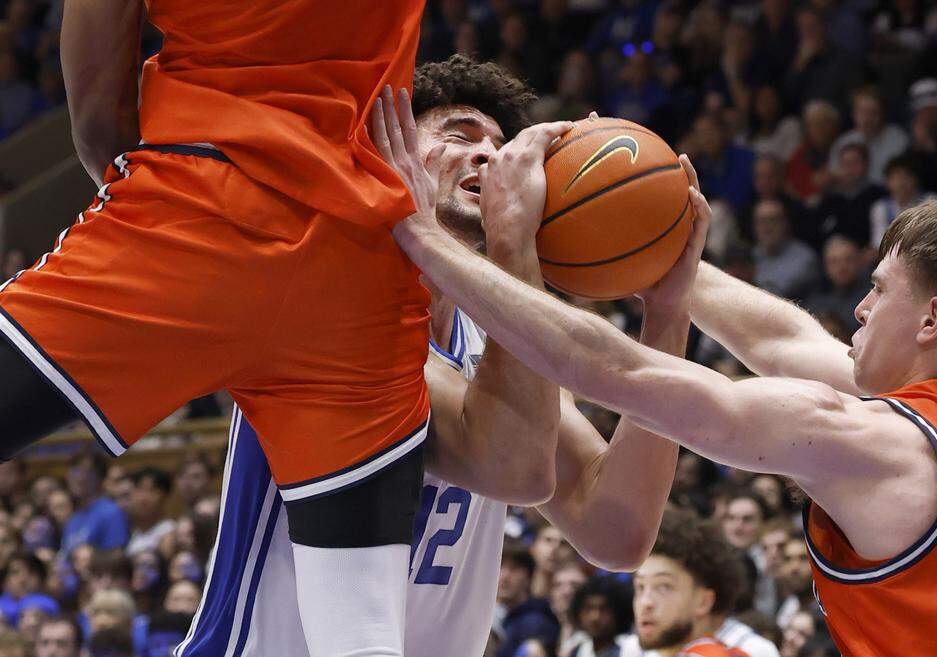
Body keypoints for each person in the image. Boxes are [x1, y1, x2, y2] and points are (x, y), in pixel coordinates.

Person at [383, 75, 937, 653]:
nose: (858, 310)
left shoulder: (874, 438)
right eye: (459, 136)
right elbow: (782, 340)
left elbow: (616, 376)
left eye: (876, 290)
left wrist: (428, 231)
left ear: (931, 321)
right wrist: (651, 238)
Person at [180, 57, 683, 657]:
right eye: (459, 135)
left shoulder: (490, 344)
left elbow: (616, 529)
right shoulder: (329, 311)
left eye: (500, 145)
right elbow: (515, 466)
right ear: (387, 155)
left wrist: (667, 314)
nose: (490, 157)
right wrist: (513, 245)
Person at [0, 0, 433, 651]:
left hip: (195, 202)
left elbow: (97, 111)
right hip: (360, 259)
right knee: (363, 630)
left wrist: (164, 227)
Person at [616, 508, 747, 657]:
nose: (646, 602)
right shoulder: (633, 649)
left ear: (703, 602)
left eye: (663, 587)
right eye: (640, 587)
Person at [58, 451, 128, 555]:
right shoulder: (74, 517)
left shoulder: (111, 512)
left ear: (100, 477)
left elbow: (116, 555)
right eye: (75, 471)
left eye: (86, 472)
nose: (79, 478)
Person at [567, 577, 633, 657]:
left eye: (603, 609)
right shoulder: (576, 652)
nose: (595, 617)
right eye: (589, 608)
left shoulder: (629, 652)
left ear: (618, 613)